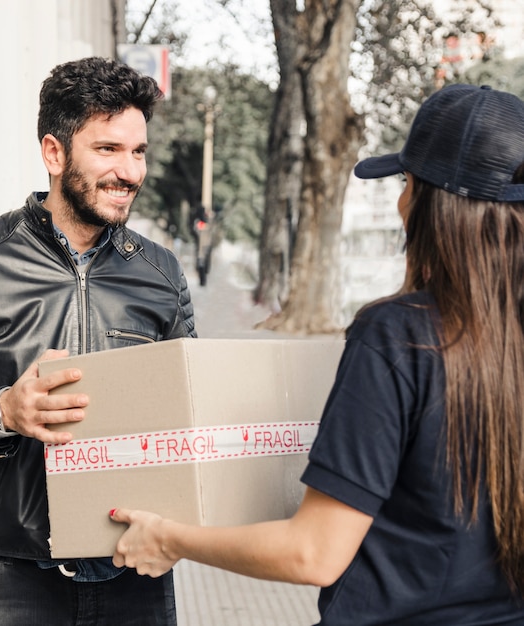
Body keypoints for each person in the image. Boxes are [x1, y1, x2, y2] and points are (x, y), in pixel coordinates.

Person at [109, 84, 524, 625]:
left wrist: (168, 538)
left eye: (406, 182)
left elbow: (315, 552)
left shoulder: (398, 337)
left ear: (424, 201)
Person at [0, 56, 196, 625]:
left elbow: (189, 416)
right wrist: (3, 410)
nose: (130, 172)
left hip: (136, 571)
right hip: (6, 582)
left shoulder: (162, 274)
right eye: (108, 149)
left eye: (138, 152)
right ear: (54, 153)